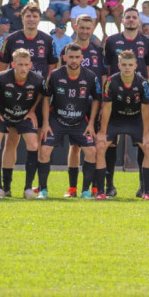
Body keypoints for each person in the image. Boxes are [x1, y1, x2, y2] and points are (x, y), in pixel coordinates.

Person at [36, 44, 101, 199]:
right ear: (64, 58)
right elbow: (46, 99)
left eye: (77, 57)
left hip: (80, 122)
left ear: (82, 59)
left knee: (91, 151)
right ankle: (43, 190)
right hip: (57, 120)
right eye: (70, 57)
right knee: (44, 150)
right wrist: (45, 123)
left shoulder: (91, 76)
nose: (73, 60)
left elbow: (98, 100)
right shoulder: (55, 75)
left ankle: (85, 191)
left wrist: (91, 123)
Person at [97, 51, 149, 200]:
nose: (127, 68)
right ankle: (101, 191)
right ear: (119, 65)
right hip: (115, 120)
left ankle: (147, 191)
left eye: (130, 65)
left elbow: (145, 109)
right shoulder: (110, 82)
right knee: (100, 145)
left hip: (135, 120)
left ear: (136, 65)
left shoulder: (143, 83)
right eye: (124, 65)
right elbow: (106, 108)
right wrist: (102, 133)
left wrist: (147, 133)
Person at [0, 48, 43, 198]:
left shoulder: (37, 80)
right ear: (13, 64)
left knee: (33, 144)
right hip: (3, 115)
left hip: (24, 116)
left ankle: (28, 188)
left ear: (30, 65)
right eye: (20, 65)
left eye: (26, 64)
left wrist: (32, 110)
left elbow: (43, 94)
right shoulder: (1, 77)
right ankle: (1, 187)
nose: (23, 68)